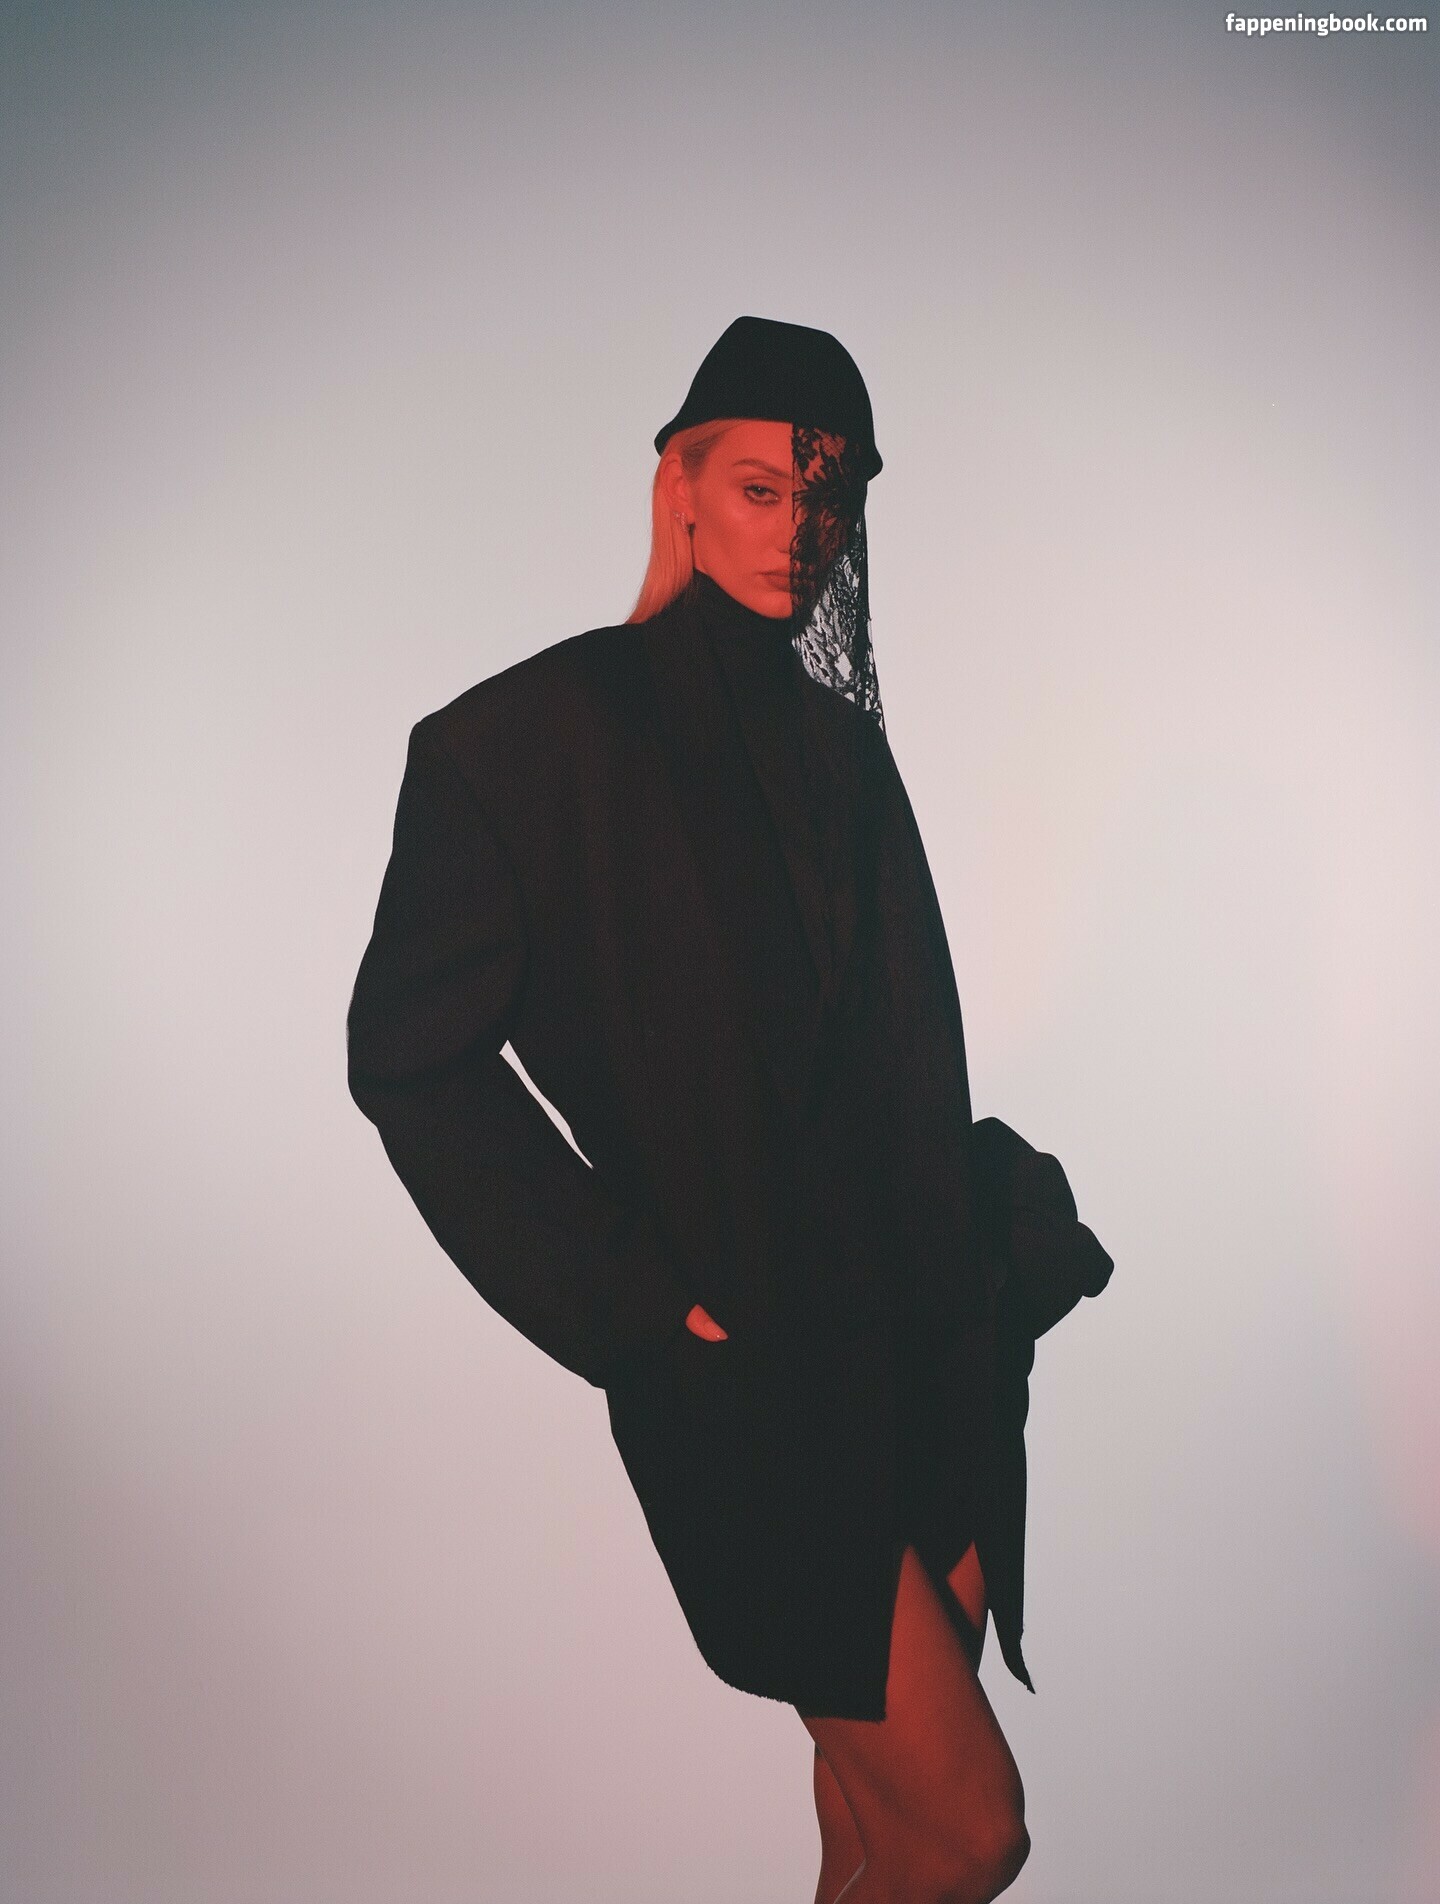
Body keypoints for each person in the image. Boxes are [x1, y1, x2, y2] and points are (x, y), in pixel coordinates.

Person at [346, 316, 1113, 1904]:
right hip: (754, 1375)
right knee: (971, 1831)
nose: (800, 531)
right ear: (680, 487)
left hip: (925, 1359)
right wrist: (630, 1294)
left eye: (830, 499)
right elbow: (409, 1060)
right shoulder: (524, 743)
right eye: (764, 488)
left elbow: (892, 1065)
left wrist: (977, 1297)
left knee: (874, 1839)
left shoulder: (844, 750)